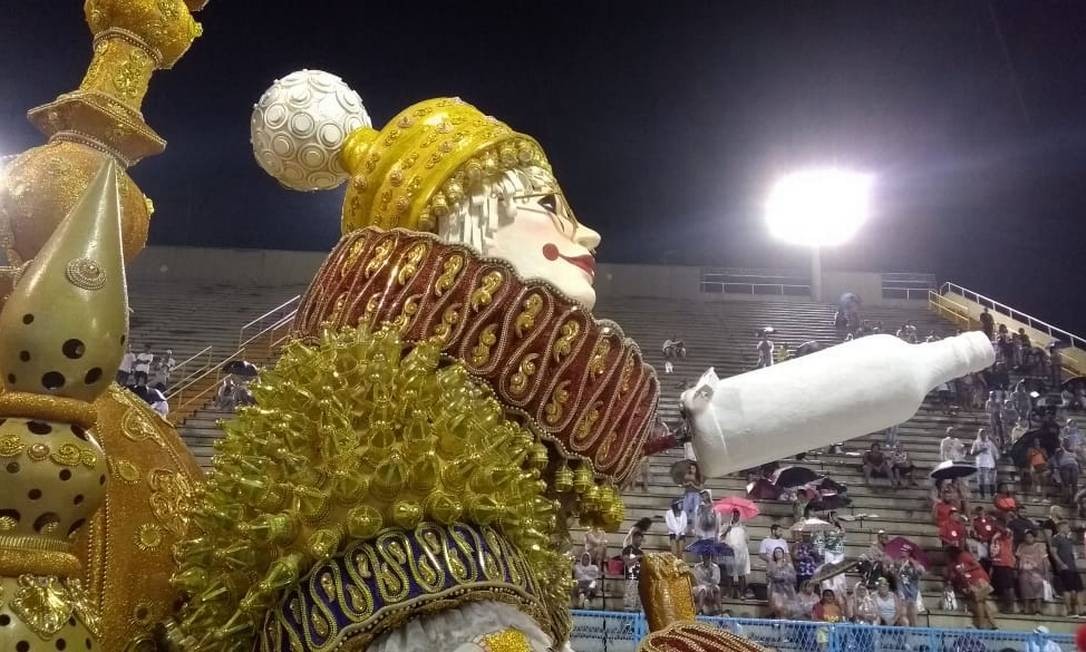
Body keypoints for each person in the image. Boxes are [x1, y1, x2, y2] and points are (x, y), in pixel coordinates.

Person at [946, 546, 997, 629]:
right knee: (983, 603)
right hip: (972, 583)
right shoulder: (954, 562)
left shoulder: (964, 555)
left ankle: (982, 625)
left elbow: (977, 565)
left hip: (980, 580)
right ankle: (993, 625)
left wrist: (966, 569)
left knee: (979, 602)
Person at [1050, 521, 1084, 616]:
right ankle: (1069, 611)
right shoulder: (1056, 538)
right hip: (1064, 568)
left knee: (1079, 589)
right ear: (1061, 528)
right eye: (1067, 527)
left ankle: (1081, 611)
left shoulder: (1069, 539)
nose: (1069, 528)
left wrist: (1076, 555)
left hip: (1073, 567)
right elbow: (1054, 553)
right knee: (1067, 590)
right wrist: (1061, 564)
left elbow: (1072, 552)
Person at [1016, 530, 1050, 615]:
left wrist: (1046, 573)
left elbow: (1045, 560)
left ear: (1034, 538)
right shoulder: (1021, 546)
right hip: (1024, 572)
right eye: (1026, 537)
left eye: (1030, 537)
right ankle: (1026, 609)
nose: (1028, 539)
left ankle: (1038, 609)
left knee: (1038, 591)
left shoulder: (1040, 546)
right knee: (1025, 591)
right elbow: (1017, 559)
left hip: (1037, 573)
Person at [720, 509, 752, 599]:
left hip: (741, 553)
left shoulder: (743, 527)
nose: (736, 516)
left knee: (741, 574)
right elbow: (720, 538)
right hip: (729, 552)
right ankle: (729, 593)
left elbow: (747, 540)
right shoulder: (726, 526)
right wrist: (727, 531)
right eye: (734, 514)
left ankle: (742, 594)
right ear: (732, 515)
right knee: (729, 574)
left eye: (737, 514)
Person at [989, 518, 1018, 613]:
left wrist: (995, 523)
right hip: (996, 562)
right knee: (1001, 585)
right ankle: (1006, 605)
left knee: (1008, 586)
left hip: (1005, 562)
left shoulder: (1008, 532)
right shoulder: (995, 534)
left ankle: (1010, 607)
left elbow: (1005, 532)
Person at [766, 547, 796, 619]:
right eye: (776, 552)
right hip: (775, 589)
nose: (778, 553)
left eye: (779, 552)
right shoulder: (771, 564)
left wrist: (784, 577)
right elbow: (770, 575)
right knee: (777, 607)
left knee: (785, 609)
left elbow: (793, 577)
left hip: (787, 590)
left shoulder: (788, 565)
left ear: (783, 554)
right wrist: (778, 577)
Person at [895, 556, 924, 626]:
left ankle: (914, 630)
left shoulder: (916, 568)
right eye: (902, 558)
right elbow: (896, 577)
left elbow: (921, 572)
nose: (905, 560)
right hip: (902, 593)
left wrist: (915, 564)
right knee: (903, 613)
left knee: (912, 609)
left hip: (912, 594)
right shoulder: (899, 567)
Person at [621, 531, 645, 612]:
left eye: (641, 540)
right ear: (634, 538)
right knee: (629, 606)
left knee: (639, 606)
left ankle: (638, 624)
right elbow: (627, 563)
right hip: (630, 580)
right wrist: (637, 557)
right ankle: (627, 624)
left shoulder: (641, 552)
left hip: (640, 581)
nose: (640, 542)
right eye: (639, 540)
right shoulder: (627, 550)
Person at [692, 551, 722, 616]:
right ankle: (699, 607)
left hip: (711, 586)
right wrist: (707, 586)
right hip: (699, 586)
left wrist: (711, 575)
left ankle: (719, 609)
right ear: (702, 557)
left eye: (708, 557)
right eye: (705, 557)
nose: (706, 558)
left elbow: (717, 580)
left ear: (710, 557)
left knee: (717, 588)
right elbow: (697, 580)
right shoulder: (697, 567)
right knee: (703, 588)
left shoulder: (715, 567)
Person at [971, 428, 998, 498]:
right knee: (981, 480)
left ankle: (993, 495)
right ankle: (982, 495)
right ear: (979, 434)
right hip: (981, 464)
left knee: (992, 481)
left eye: (984, 433)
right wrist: (980, 450)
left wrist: (995, 464)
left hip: (990, 464)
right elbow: (972, 453)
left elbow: (995, 453)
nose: (983, 435)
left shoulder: (990, 443)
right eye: (981, 433)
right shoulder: (976, 442)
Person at [680, 462, 702, 534]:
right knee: (685, 510)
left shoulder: (699, 476)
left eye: (693, 468)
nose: (692, 470)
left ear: (696, 469)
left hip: (696, 494)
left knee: (695, 511)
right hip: (688, 494)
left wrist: (693, 484)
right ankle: (684, 527)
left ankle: (694, 527)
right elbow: (683, 485)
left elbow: (700, 488)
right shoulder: (687, 475)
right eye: (691, 468)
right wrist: (687, 484)